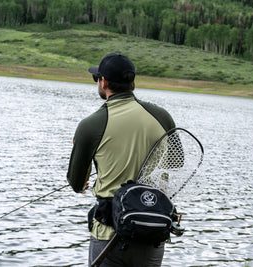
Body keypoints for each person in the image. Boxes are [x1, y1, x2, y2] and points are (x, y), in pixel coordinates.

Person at [67, 53, 176, 266]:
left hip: (108, 235)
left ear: (104, 82)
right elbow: (177, 161)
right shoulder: (162, 116)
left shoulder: (91, 125)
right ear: (131, 83)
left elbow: (76, 183)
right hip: (152, 231)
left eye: (96, 78)